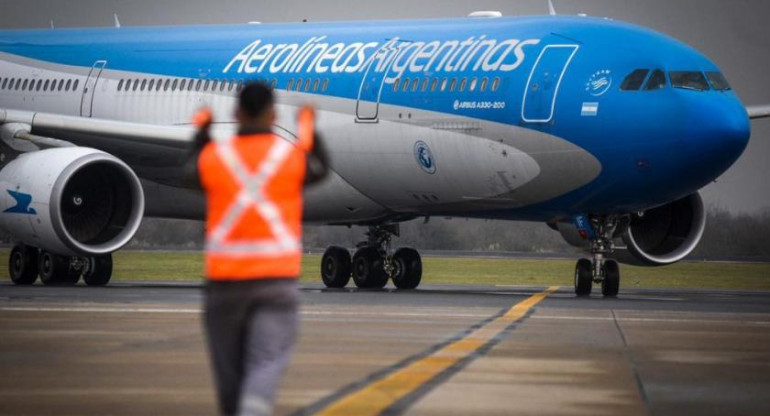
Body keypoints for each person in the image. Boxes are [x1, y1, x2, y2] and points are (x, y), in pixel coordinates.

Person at [192, 82, 328, 416]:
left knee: (229, 379)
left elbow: (190, 170)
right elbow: (319, 166)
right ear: (273, 114)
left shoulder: (215, 157)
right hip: (275, 284)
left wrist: (202, 130)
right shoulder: (289, 157)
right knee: (265, 364)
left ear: (236, 113)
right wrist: (308, 124)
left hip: (224, 287)